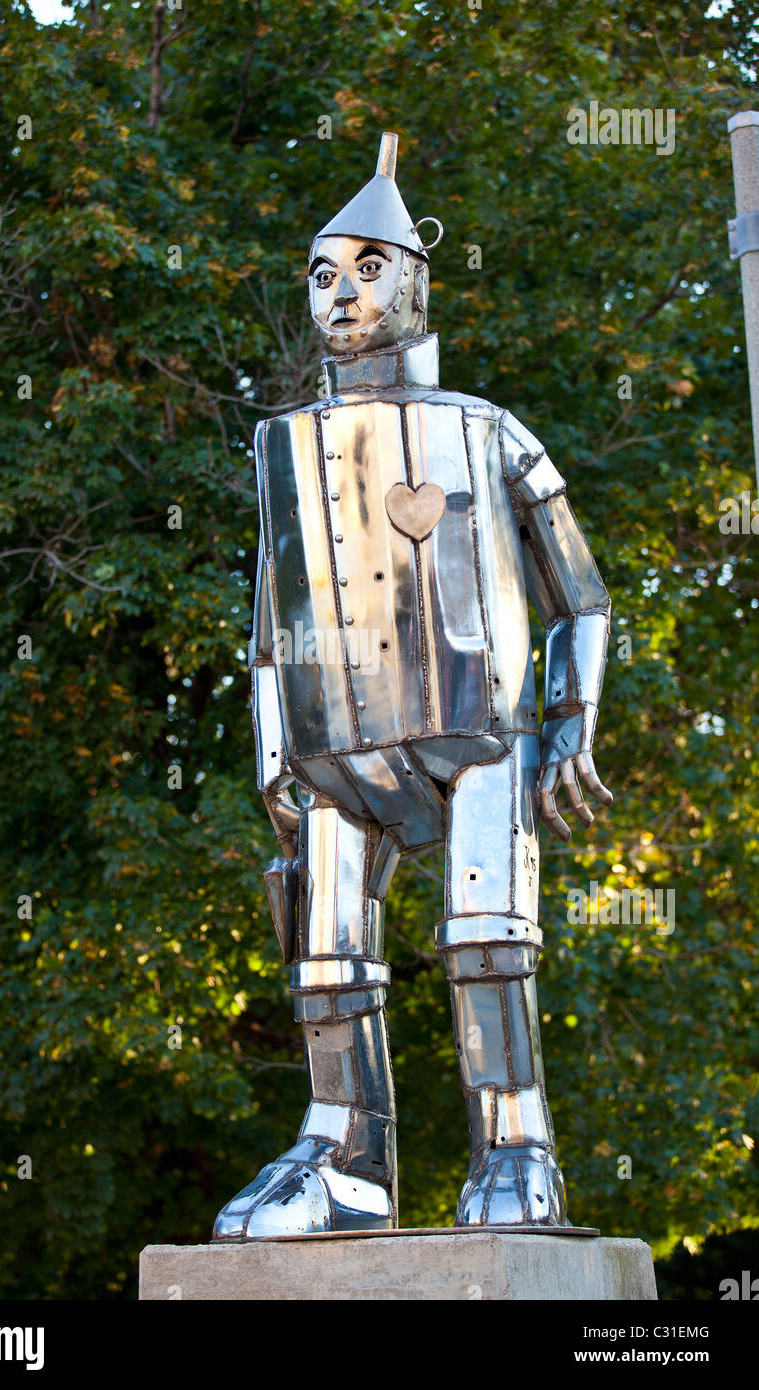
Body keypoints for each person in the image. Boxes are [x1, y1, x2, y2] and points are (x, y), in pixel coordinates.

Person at [213, 133, 612, 1240]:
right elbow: (266, 619)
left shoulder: (483, 431)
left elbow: (580, 593)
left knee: (485, 934)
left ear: (417, 278)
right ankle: (343, 1151)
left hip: (476, 731)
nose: (343, 295)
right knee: (326, 954)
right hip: (334, 748)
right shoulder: (280, 447)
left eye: (368, 268)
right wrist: (270, 757)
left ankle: (512, 1136)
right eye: (322, 275)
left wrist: (568, 721)